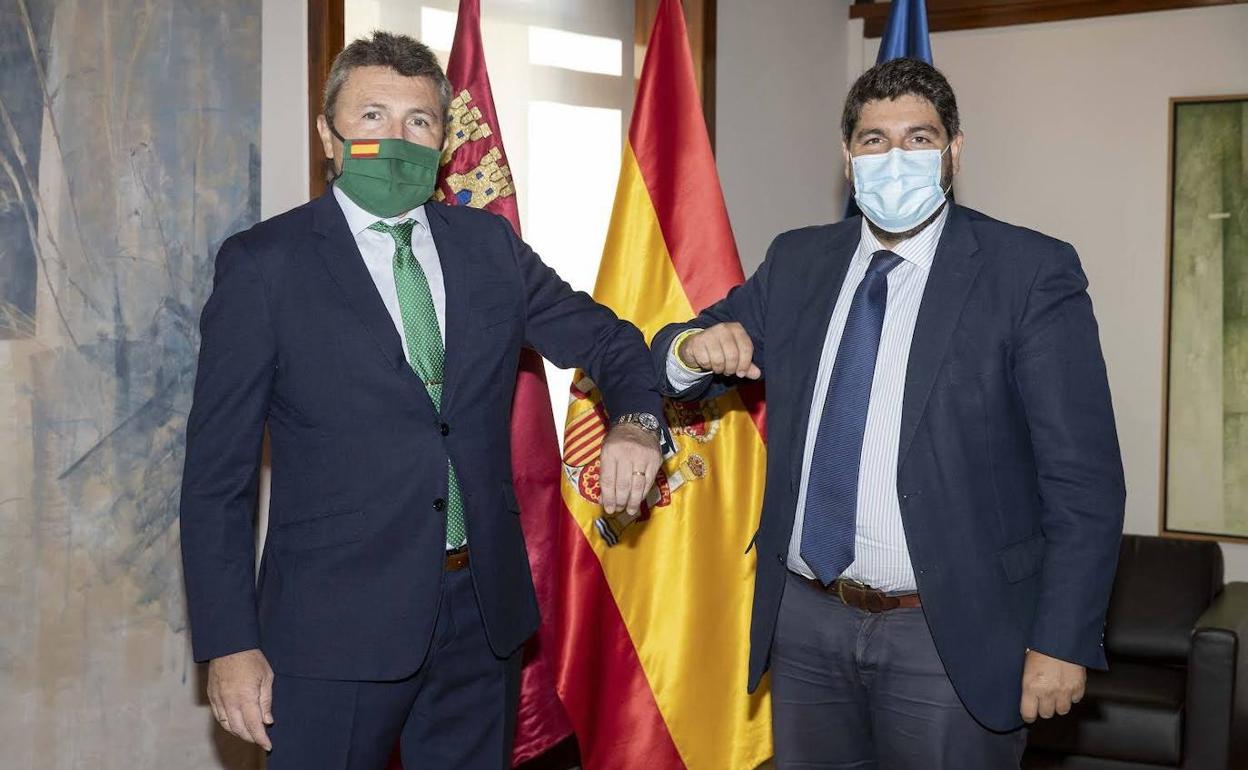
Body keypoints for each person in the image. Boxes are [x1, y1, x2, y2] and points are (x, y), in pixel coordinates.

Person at [179, 31, 664, 770]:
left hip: (481, 613)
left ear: (443, 140)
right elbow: (217, 478)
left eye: (419, 122)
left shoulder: (489, 249)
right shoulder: (264, 267)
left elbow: (612, 344)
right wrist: (229, 642)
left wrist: (633, 421)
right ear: (328, 135)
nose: (396, 139)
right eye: (372, 117)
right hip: (329, 631)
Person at [650, 58, 1125, 768]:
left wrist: (1061, 639)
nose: (894, 158)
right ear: (847, 157)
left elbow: (1084, 480)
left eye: (918, 138)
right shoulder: (800, 260)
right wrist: (693, 346)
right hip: (807, 619)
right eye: (874, 141)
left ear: (954, 150)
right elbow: (678, 355)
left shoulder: (1028, 272)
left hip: (947, 630)